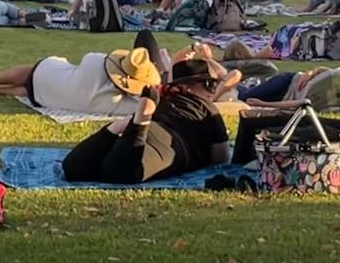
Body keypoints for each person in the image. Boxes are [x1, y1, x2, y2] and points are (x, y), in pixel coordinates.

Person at [61, 59, 231, 184]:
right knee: (119, 174)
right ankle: (138, 122)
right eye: (208, 84)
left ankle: (119, 126)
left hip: (143, 130)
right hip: (173, 144)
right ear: (187, 87)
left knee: (73, 169)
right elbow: (221, 158)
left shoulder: (165, 98)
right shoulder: (208, 108)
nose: (213, 91)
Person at [0, 47, 163, 117]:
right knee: (26, 92)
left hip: (48, 77)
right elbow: (148, 105)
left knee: (34, 73)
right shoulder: (118, 105)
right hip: (46, 99)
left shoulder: (96, 61)